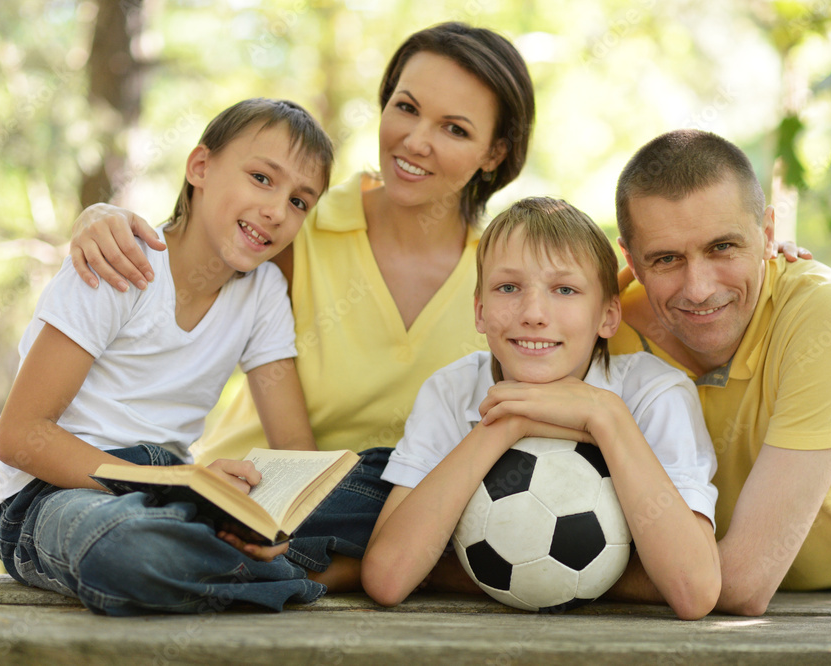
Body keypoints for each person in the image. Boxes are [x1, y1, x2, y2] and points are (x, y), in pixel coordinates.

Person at [63, 22, 536, 587]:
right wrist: (100, 217)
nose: (415, 140)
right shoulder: (295, 225)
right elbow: (190, 240)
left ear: (495, 153)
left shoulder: (507, 277)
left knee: (423, 479)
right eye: (406, 107)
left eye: (454, 128)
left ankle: (321, 567)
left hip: (376, 509)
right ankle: (295, 565)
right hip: (247, 491)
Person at [0, 98, 335, 614]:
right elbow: (18, 438)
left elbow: (294, 453)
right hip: (54, 496)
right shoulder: (119, 261)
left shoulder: (263, 290)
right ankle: (292, 577)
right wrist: (180, 485)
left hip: (174, 495)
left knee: (369, 484)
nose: (277, 211)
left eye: (300, 202)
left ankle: (245, 559)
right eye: (262, 178)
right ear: (200, 167)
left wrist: (272, 514)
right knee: (125, 546)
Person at [361, 197, 722, 620]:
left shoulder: (654, 393)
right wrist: (504, 425)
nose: (533, 314)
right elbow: (387, 579)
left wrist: (605, 417)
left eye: (564, 289)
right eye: (508, 288)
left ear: (608, 316)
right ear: (479, 310)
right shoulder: (450, 391)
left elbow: (694, 591)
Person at [609, 129, 831, 616]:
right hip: (687, 600)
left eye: (723, 247)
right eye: (666, 259)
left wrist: (573, 570)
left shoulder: (829, 314)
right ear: (631, 260)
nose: (699, 288)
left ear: (768, 234)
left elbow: (742, 585)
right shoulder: (604, 324)